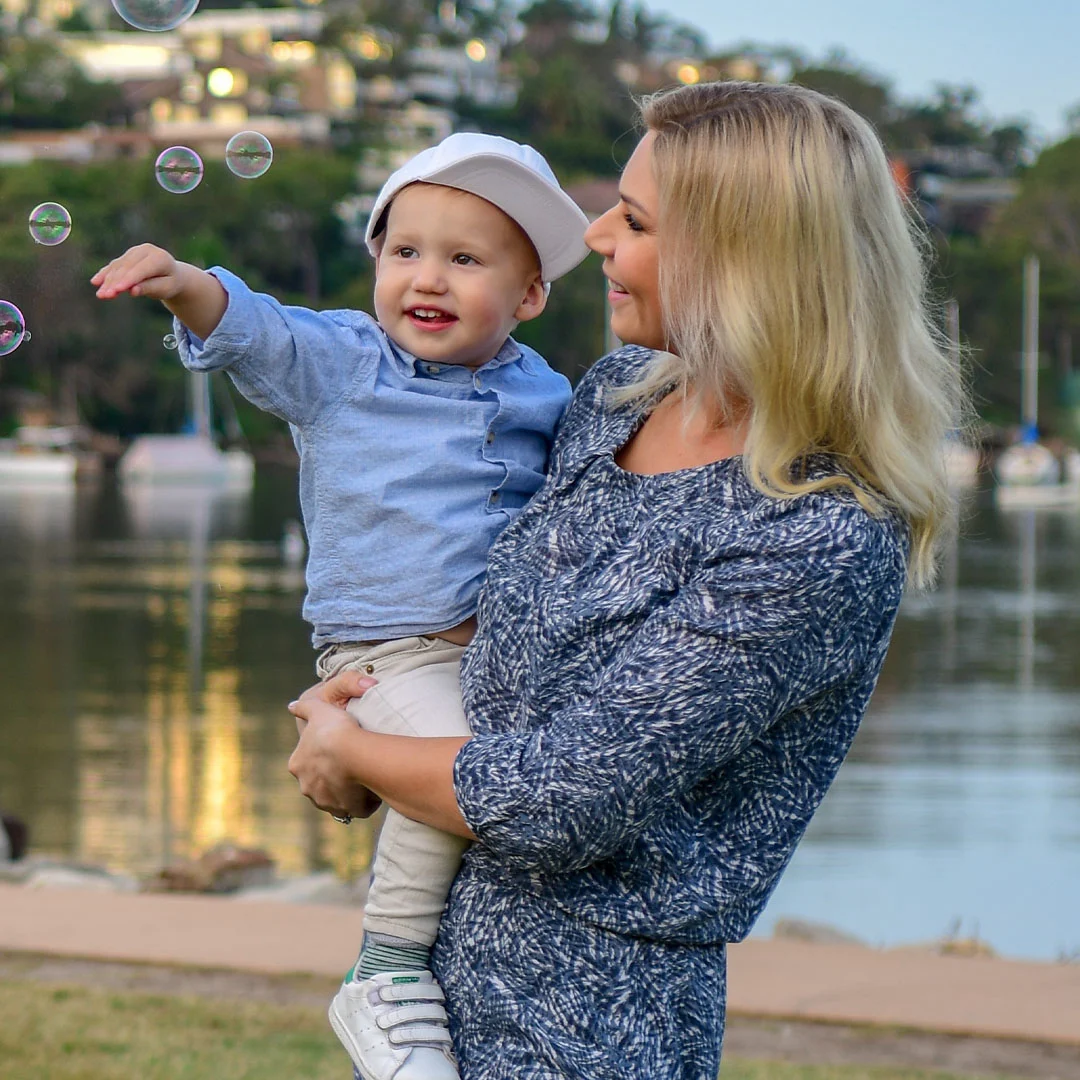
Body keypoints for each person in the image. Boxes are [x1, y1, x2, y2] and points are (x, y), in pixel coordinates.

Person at [287, 80, 965, 1080]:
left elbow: (564, 799)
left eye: (635, 221)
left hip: (595, 1027)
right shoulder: (613, 401)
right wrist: (364, 727)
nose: (595, 235)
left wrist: (353, 747)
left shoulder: (817, 533)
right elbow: (479, 643)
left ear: (745, 259)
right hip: (429, 994)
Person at [91, 132, 590, 1080]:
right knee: (458, 767)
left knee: (499, 768)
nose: (426, 278)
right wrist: (184, 281)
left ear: (529, 296)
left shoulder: (549, 391)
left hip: (498, 657)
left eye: (465, 259)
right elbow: (258, 328)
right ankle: (387, 968)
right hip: (386, 651)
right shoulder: (347, 362)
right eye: (405, 251)